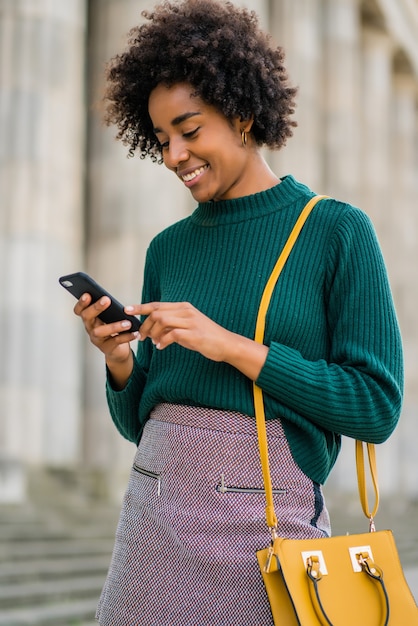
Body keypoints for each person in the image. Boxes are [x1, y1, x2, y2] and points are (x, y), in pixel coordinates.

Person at [74, 0, 404, 624]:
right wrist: (120, 363)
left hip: (269, 530)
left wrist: (230, 346)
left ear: (245, 115)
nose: (174, 155)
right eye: (162, 138)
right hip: (154, 517)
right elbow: (140, 420)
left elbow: (377, 407)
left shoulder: (335, 232)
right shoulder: (166, 249)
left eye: (190, 130)